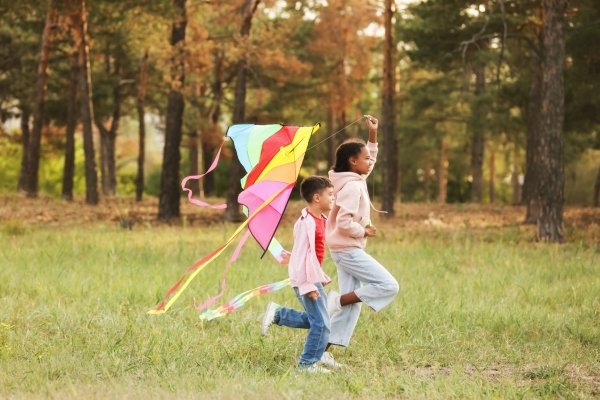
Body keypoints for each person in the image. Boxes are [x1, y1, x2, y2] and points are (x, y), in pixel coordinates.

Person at [325, 115, 400, 350]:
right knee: (388, 285)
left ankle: (320, 353)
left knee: (352, 305)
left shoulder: (352, 178)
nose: (370, 162)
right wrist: (364, 231)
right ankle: (335, 300)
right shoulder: (352, 186)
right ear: (352, 161)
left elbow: (371, 158)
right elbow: (345, 223)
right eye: (365, 159)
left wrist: (373, 135)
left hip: (344, 248)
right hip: (347, 249)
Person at [261, 176, 342, 373]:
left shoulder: (318, 219)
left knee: (320, 320)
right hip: (306, 280)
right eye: (330, 195)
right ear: (316, 198)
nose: (333, 198)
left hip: (312, 277)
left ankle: (279, 314)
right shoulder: (307, 223)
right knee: (321, 322)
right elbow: (303, 257)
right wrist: (308, 285)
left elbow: (303, 252)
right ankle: (306, 364)